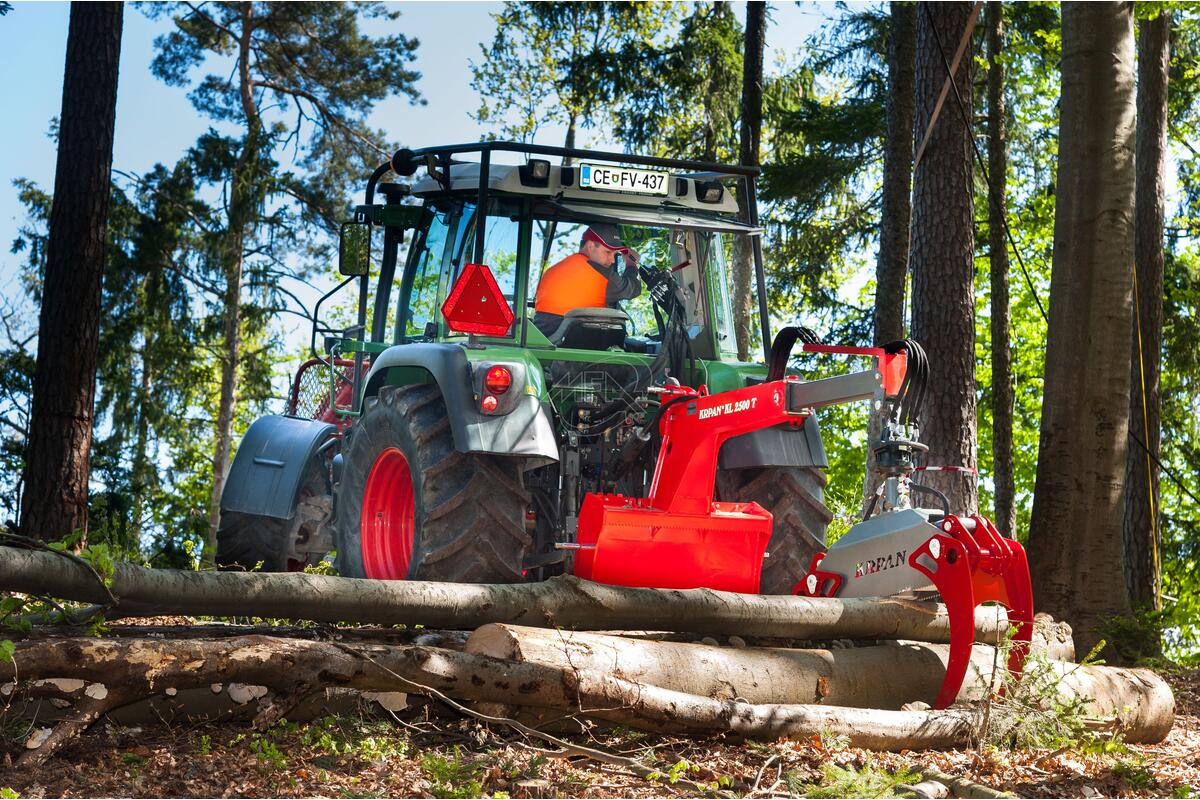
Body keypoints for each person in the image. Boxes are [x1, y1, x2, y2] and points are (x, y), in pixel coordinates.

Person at [532, 223, 642, 337]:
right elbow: (634, 289)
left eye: (614, 254)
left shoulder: (553, 270)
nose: (612, 260)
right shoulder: (598, 272)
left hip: (543, 339)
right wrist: (631, 263)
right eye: (608, 252)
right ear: (590, 246)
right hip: (574, 343)